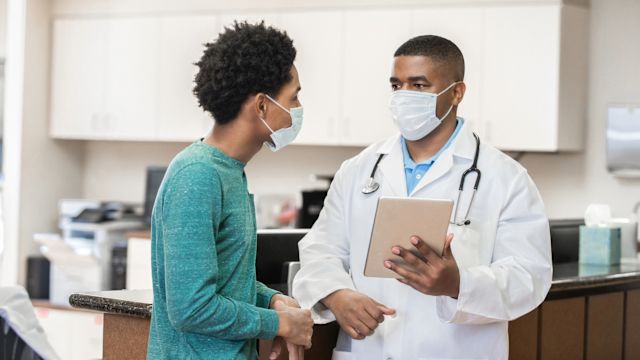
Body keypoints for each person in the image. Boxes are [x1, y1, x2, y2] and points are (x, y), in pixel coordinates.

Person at [292, 35, 552, 360]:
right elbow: (321, 250)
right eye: (396, 85)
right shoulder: (359, 170)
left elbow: (530, 276)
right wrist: (336, 293)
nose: (404, 96)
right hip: (368, 349)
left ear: (457, 92)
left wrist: (458, 284)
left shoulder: (506, 177)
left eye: (419, 86)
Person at [147, 21, 313, 360]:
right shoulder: (198, 175)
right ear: (262, 106)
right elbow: (191, 307)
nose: (297, 108)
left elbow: (226, 282)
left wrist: (270, 299)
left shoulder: (228, 172)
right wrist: (277, 324)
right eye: (293, 96)